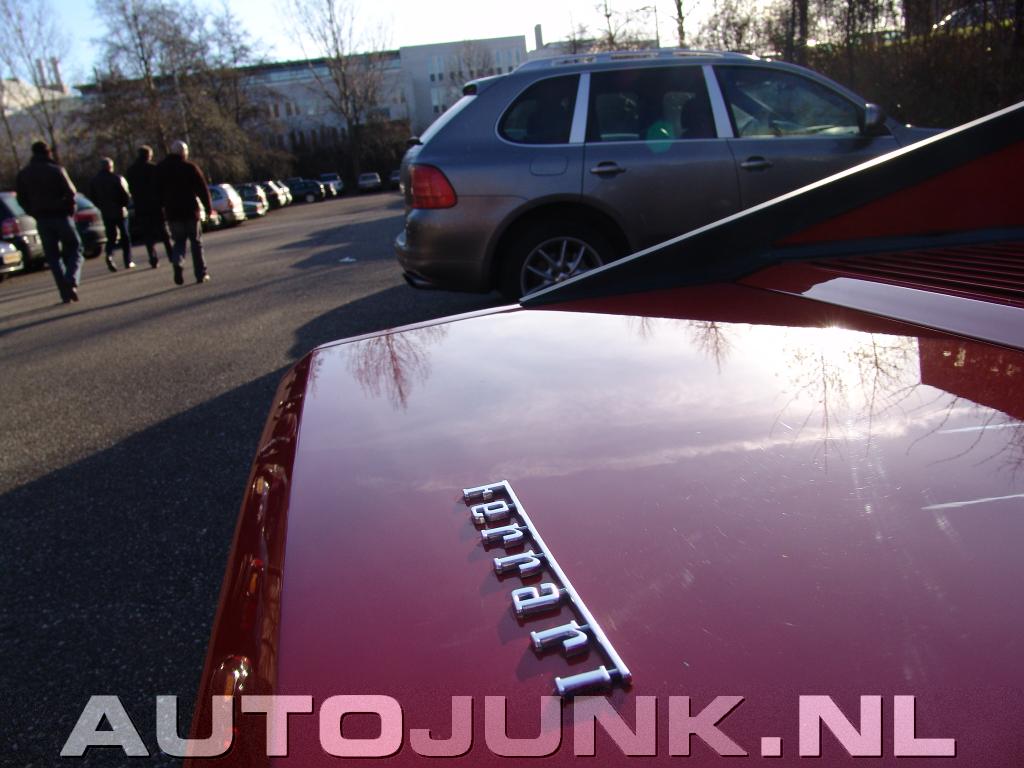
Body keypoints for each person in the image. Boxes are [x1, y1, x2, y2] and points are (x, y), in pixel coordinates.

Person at [15, 141, 83, 303]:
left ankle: (64, 291)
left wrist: (32, 212)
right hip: (61, 215)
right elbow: (71, 193)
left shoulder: (24, 174)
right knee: (75, 248)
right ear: (48, 152)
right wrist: (70, 210)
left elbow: (21, 199)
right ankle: (71, 279)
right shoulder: (56, 170)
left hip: (42, 219)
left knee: (53, 256)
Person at [156, 140, 213, 285]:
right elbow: (202, 189)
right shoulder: (189, 167)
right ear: (184, 152)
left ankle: (178, 262)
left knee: (179, 242)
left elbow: (156, 191)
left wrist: (161, 207)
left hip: (172, 212)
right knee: (196, 242)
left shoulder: (161, 169)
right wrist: (208, 207)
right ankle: (201, 273)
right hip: (190, 210)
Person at [125, 145, 172, 268]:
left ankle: (153, 257)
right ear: (148, 155)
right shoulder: (153, 168)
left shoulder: (131, 171)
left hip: (141, 206)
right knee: (163, 232)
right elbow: (161, 186)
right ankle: (171, 254)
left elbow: (130, 189)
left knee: (147, 235)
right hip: (155, 205)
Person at [89, 157, 134, 271]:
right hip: (120, 211)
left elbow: (93, 197)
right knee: (125, 236)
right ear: (110, 166)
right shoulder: (116, 178)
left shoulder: (95, 181)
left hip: (106, 212)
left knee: (111, 236)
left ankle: (109, 255)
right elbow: (125, 195)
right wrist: (124, 205)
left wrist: (101, 207)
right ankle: (128, 260)